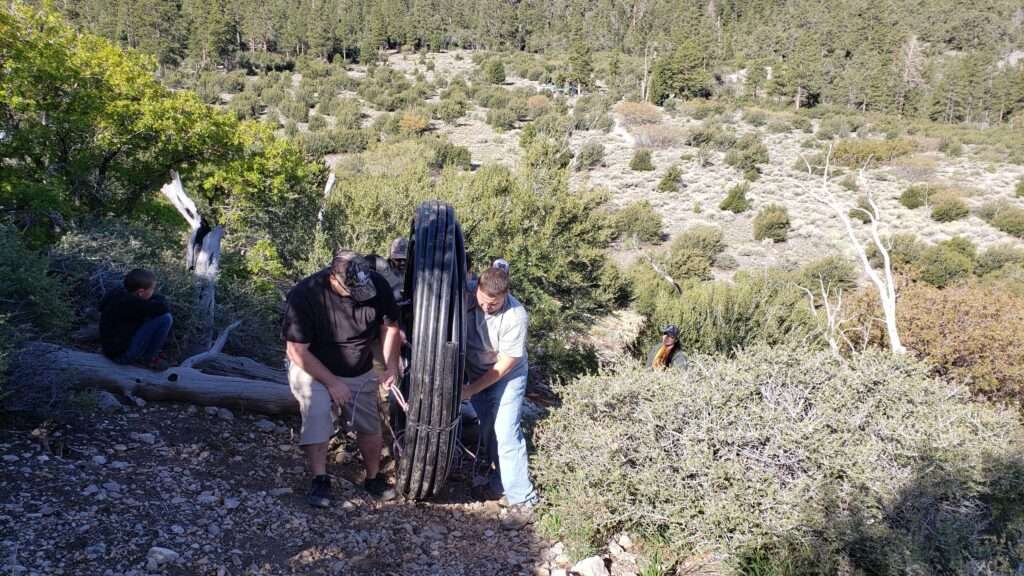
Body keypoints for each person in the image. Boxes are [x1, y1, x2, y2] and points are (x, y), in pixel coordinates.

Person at [282, 250, 401, 507]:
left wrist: (391, 366)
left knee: (370, 425)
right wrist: (332, 383)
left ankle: (372, 477)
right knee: (317, 412)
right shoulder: (306, 294)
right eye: (352, 291)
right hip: (313, 365)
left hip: (359, 366)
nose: (360, 297)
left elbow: (390, 327)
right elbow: (296, 350)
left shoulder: (376, 284)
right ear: (333, 278)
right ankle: (320, 478)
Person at [462, 266, 536, 530]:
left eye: (493, 304)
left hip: (506, 377)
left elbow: (503, 366)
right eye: (482, 301)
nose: (486, 307)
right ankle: (499, 483)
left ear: (506, 294)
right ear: (477, 288)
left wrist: (471, 389)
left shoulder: (516, 316)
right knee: (490, 430)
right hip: (476, 370)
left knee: (506, 433)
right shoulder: (466, 294)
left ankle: (523, 501)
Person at [99, 268, 173, 370]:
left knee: (152, 315)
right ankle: (149, 358)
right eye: (152, 289)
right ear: (140, 292)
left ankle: (146, 354)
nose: (153, 292)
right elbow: (163, 308)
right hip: (121, 356)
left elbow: (100, 307)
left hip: (110, 350)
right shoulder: (133, 304)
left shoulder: (118, 293)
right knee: (165, 318)